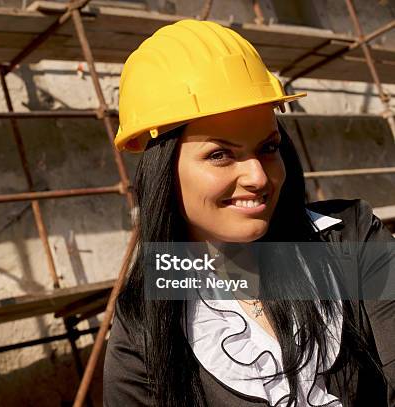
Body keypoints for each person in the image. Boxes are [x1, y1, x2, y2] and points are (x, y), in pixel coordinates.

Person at [103, 19, 394, 406]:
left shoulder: (352, 239)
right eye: (220, 154)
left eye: (268, 148)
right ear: (163, 171)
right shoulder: (145, 326)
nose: (258, 176)